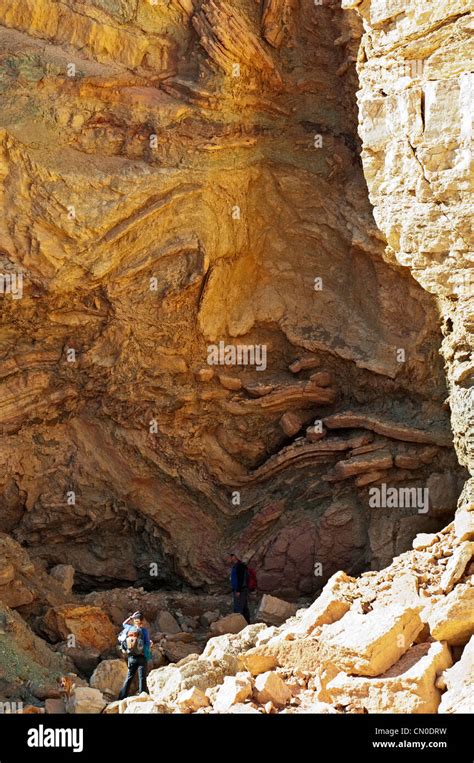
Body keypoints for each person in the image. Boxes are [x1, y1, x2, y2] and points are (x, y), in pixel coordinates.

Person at [118, 611, 153, 700]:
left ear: (134, 620)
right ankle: (142, 696)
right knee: (142, 678)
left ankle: (122, 697)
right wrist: (150, 645)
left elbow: (123, 624)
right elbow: (146, 645)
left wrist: (131, 617)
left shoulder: (130, 628)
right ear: (143, 621)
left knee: (129, 677)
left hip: (131, 657)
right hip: (141, 657)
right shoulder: (144, 631)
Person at [229, 552, 250, 623]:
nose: (230, 557)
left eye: (232, 556)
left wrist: (238, 590)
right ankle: (247, 623)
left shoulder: (239, 566)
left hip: (240, 590)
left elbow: (241, 579)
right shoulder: (237, 566)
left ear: (235, 557)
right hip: (240, 589)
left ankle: (239, 625)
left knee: (239, 608)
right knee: (243, 607)